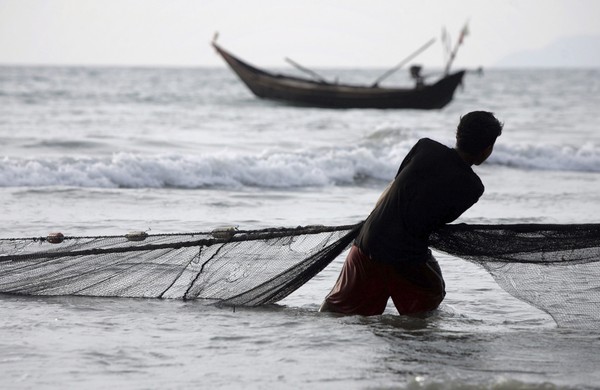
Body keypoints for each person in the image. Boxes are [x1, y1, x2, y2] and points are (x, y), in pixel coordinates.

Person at [320, 111, 503, 316]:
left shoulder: (425, 147)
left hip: (366, 241)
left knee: (336, 310)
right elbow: (433, 221)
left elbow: (393, 188)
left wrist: (373, 227)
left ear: (458, 134)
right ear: (487, 149)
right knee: (429, 298)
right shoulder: (473, 188)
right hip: (405, 254)